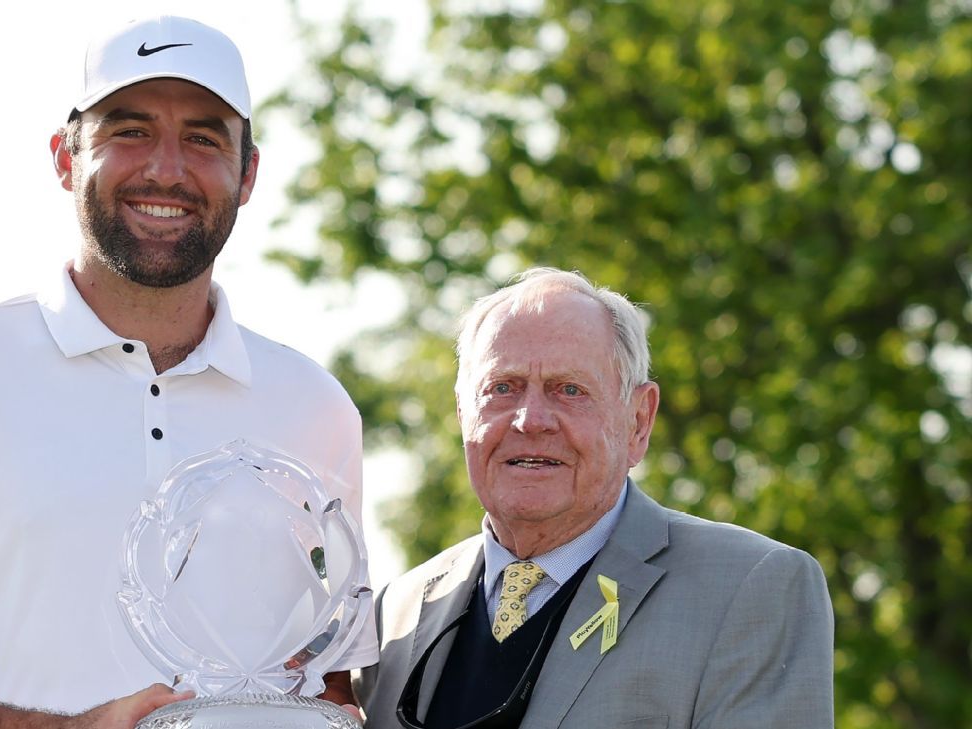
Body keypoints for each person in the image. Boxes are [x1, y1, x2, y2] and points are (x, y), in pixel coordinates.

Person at [0, 15, 377, 729]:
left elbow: (329, 689)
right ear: (66, 158)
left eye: (203, 138)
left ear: (247, 174)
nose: (166, 169)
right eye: (130, 131)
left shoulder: (315, 406)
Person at [355, 268, 833, 728]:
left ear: (639, 421)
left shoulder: (748, 587)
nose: (531, 420)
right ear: (463, 413)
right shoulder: (395, 613)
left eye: (569, 390)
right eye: (502, 388)